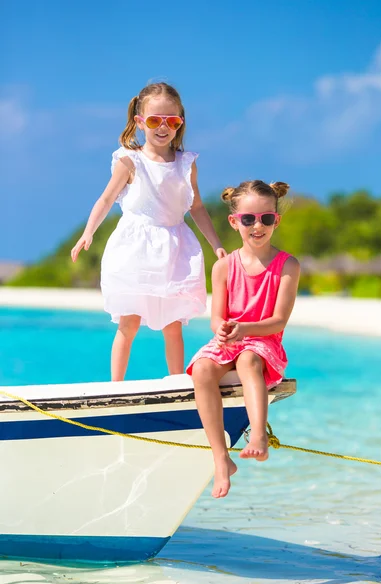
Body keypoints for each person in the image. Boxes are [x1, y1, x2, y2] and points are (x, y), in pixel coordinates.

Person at [71, 82, 226, 380]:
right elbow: (105, 199)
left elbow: (197, 208)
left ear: (180, 123)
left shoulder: (186, 163)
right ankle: (114, 387)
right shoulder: (130, 160)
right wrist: (88, 231)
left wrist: (216, 244)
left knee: (173, 324)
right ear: (140, 122)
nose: (163, 127)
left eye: (172, 120)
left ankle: (176, 382)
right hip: (135, 248)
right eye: (155, 120)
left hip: (174, 247)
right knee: (128, 323)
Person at [187, 180, 300, 498]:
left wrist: (245, 330)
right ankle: (221, 459)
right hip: (233, 337)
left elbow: (278, 321)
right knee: (202, 369)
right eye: (249, 219)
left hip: (263, 339)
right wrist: (223, 328)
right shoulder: (223, 266)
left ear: (275, 221)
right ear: (234, 222)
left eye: (266, 218)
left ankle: (258, 438)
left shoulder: (288, 265)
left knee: (249, 359)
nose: (258, 226)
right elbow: (216, 318)